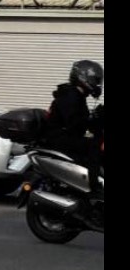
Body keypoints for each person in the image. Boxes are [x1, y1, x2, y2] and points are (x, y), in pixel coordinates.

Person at [43, 59, 103, 197]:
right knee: (95, 145)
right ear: (84, 77)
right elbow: (75, 122)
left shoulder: (77, 95)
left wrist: (96, 120)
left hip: (66, 136)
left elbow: (81, 121)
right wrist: (92, 119)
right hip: (59, 138)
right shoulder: (70, 95)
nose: (98, 84)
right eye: (96, 80)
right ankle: (94, 188)